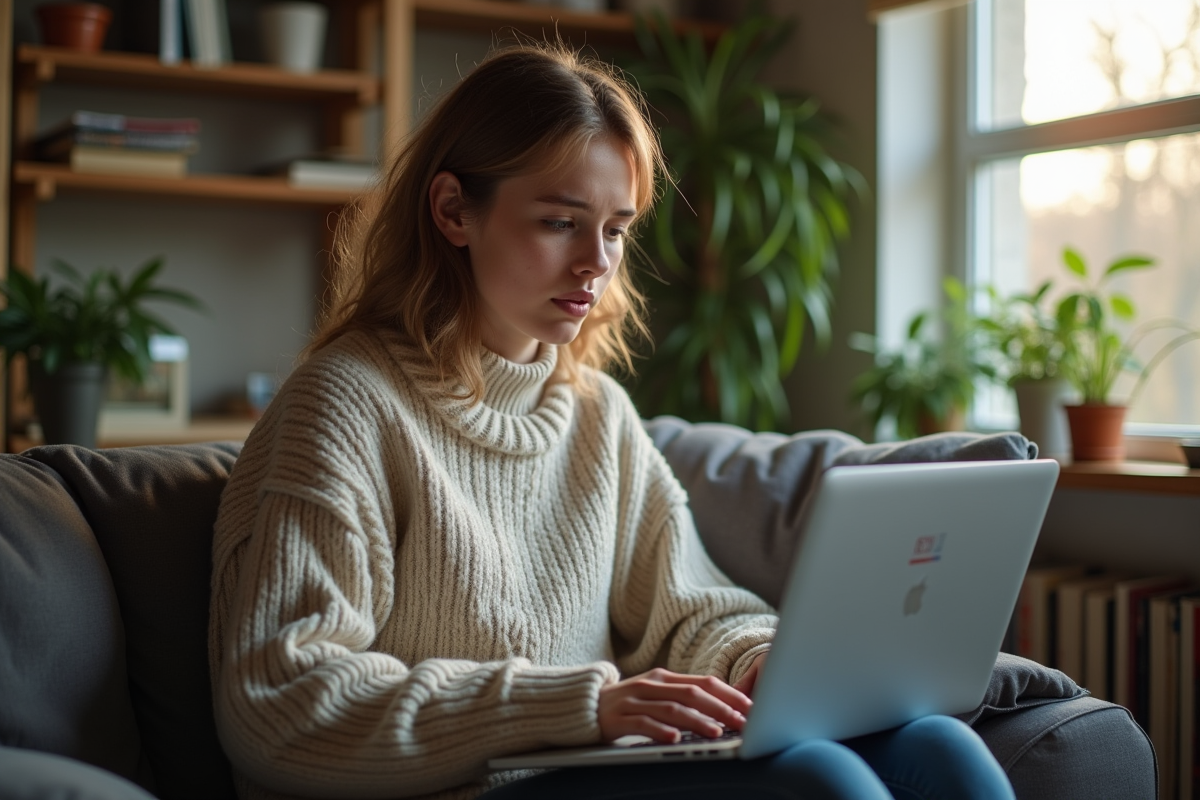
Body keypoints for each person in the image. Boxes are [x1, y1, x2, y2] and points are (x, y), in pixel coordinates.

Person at [208, 43, 1016, 800]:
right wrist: (582, 705)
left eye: (617, 230)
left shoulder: (596, 412)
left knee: (937, 746)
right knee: (819, 779)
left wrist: (756, 659)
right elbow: (281, 699)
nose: (596, 262)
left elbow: (689, 606)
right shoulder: (343, 405)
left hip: (587, 768)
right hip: (462, 788)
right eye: (560, 222)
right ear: (453, 210)